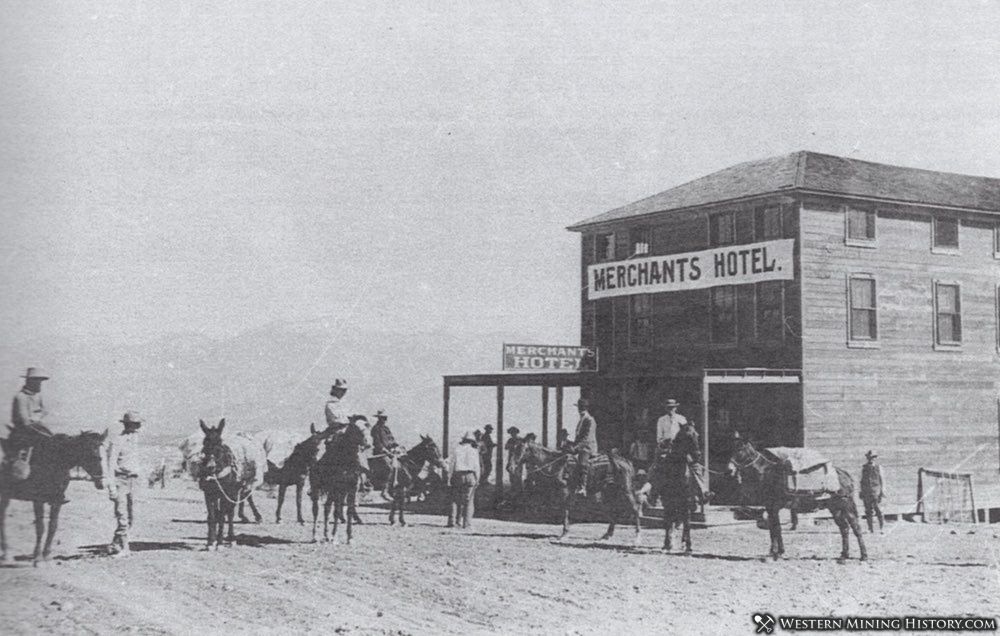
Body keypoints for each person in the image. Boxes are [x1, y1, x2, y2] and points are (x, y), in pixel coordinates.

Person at [105, 411, 144, 558]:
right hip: (120, 480)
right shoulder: (118, 441)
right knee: (122, 515)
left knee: (132, 517)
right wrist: (111, 487)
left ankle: (116, 543)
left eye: (137, 426)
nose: (135, 429)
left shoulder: (135, 441)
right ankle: (125, 548)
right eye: (133, 425)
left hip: (134, 481)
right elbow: (110, 464)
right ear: (127, 425)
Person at [4, 367, 52, 481]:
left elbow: (45, 410)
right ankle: (18, 475)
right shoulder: (21, 397)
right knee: (24, 452)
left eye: (40, 381)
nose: (40, 384)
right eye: (37, 381)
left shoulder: (38, 396)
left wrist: (36, 418)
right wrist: (36, 418)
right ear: (29, 382)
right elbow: (24, 420)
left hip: (37, 428)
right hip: (23, 432)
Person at [446, 431, 480, 529]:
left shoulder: (456, 450)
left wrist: (449, 478)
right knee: (468, 501)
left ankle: (453, 522)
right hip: (470, 475)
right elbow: (477, 467)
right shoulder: (474, 451)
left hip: (457, 475)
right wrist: (477, 479)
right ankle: (467, 524)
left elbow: (451, 466)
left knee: (454, 500)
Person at [370, 409, 402, 500]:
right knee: (389, 468)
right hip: (380, 453)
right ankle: (384, 491)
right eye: (382, 418)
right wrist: (386, 451)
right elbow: (377, 443)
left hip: (390, 452)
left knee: (401, 465)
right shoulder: (375, 428)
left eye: (385, 418)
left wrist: (396, 446)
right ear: (378, 418)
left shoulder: (386, 428)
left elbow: (392, 439)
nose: (384, 420)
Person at [571, 398, 598, 496]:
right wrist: (572, 445)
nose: (580, 409)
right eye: (579, 407)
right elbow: (579, 437)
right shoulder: (581, 420)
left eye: (582, 407)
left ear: (585, 408)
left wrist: (576, 447)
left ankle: (583, 487)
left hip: (588, 447)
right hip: (580, 446)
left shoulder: (590, 420)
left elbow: (587, 438)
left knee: (582, 462)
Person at [860, 450, 886, 534]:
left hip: (876, 491)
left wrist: (883, 491)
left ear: (875, 458)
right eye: (870, 457)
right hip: (866, 491)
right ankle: (870, 529)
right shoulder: (864, 467)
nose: (871, 459)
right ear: (867, 458)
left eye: (873, 457)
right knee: (868, 510)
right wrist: (861, 491)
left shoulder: (879, 467)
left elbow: (882, 479)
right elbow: (862, 480)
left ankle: (882, 528)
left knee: (878, 509)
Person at [504, 426, 522, 492]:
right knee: (511, 473)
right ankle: (513, 487)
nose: (512, 434)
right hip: (511, 458)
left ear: (516, 433)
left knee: (518, 474)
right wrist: (511, 446)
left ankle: (519, 489)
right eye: (511, 433)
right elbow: (505, 447)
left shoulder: (520, 440)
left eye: (513, 432)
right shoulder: (510, 440)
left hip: (518, 459)